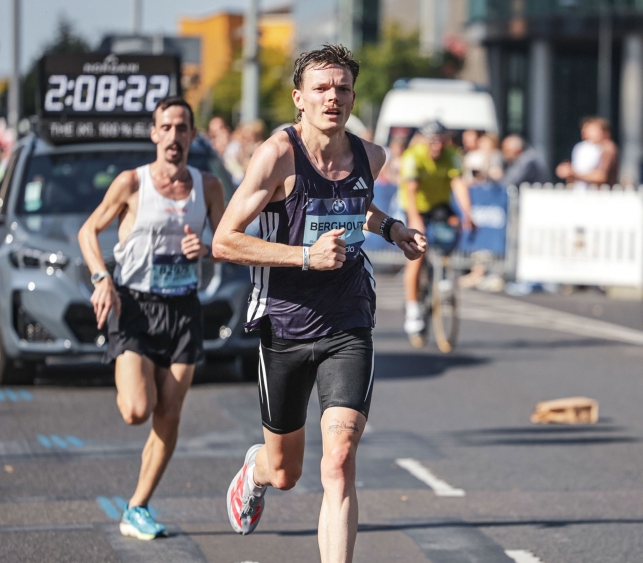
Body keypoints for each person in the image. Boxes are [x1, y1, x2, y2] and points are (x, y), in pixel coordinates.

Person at [211, 45, 426, 563]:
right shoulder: (277, 155)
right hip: (284, 324)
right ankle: (254, 471)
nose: (333, 97)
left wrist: (392, 228)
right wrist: (305, 256)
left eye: (343, 88)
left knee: (340, 459)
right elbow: (224, 240)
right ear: (299, 99)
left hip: (349, 320)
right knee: (286, 472)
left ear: (353, 98)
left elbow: (358, 204)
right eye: (322, 88)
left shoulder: (371, 156)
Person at [77, 97, 227, 540]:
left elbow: (227, 242)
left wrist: (205, 249)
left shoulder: (209, 186)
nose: (174, 136)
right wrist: (102, 277)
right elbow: (89, 230)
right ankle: (129, 376)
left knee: (170, 411)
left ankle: (137, 506)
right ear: (154, 134)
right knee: (137, 411)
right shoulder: (132, 183)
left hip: (183, 309)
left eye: (183, 128)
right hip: (135, 307)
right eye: (167, 127)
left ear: (192, 136)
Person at [399, 120, 475, 339]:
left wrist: (468, 214)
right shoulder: (413, 157)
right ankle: (413, 309)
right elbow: (411, 190)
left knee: (454, 226)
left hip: (439, 205)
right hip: (416, 206)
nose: (438, 145)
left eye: (441, 140)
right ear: (424, 141)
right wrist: (414, 219)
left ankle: (443, 268)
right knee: (417, 255)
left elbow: (459, 185)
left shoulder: (452, 155)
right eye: (433, 141)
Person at [555, 116, 619, 188]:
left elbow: (602, 176)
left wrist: (573, 173)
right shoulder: (585, 148)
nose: (586, 133)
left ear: (604, 132)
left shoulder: (608, 148)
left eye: (592, 130)